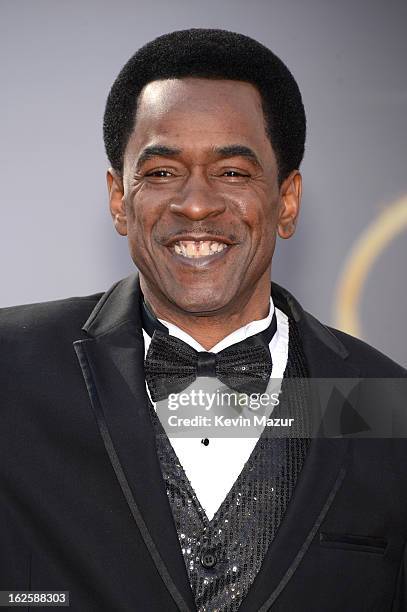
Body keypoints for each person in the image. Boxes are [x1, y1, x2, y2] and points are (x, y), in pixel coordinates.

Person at [1, 28, 406, 612]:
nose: (196, 204)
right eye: (162, 173)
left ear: (286, 201)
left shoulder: (385, 401)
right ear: (119, 199)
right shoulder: (11, 372)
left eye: (233, 173)